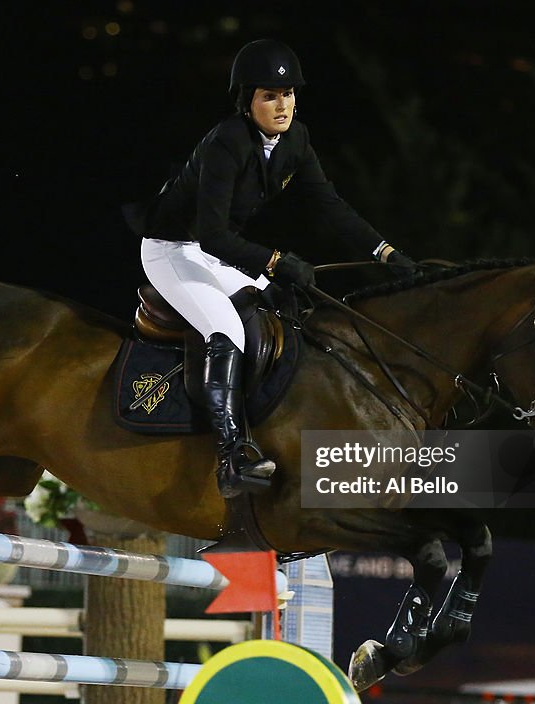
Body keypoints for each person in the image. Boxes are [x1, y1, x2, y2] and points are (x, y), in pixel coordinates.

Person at [125, 39, 414, 498]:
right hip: (172, 249)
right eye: (269, 96)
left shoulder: (295, 139)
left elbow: (330, 205)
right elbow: (211, 234)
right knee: (227, 331)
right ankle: (231, 457)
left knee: (283, 309)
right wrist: (277, 262)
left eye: (289, 94)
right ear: (247, 101)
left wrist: (385, 252)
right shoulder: (226, 142)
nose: (283, 105)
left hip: (213, 251)